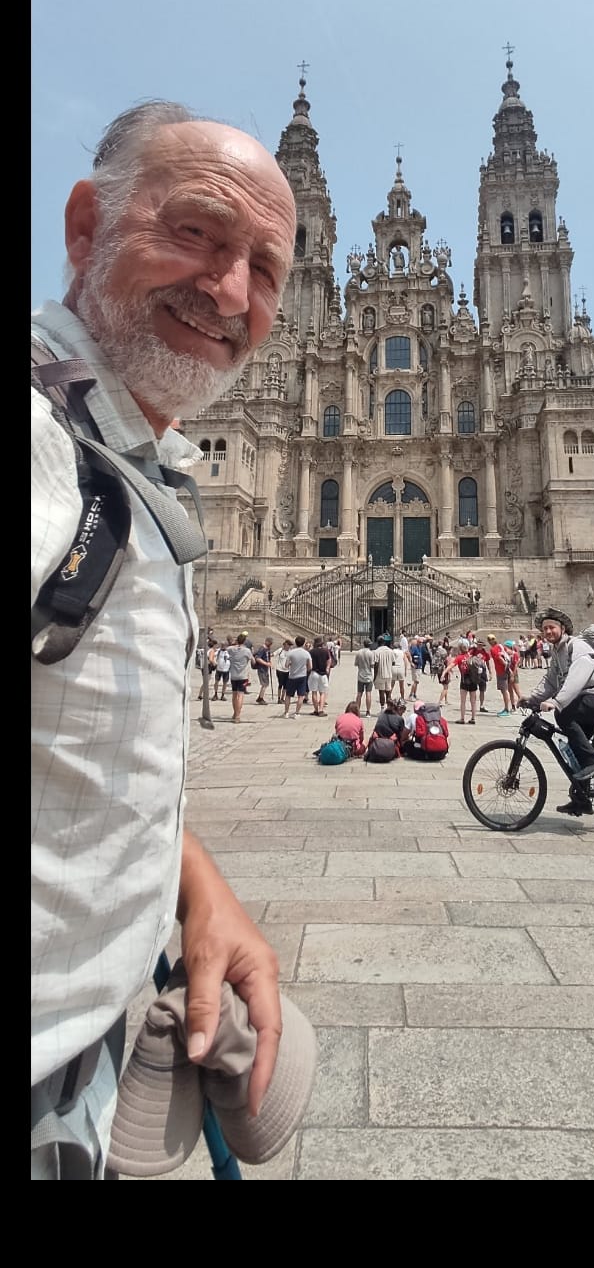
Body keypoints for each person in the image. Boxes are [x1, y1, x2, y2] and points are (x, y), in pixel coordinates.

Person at [32, 101, 297, 1179]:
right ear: (86, 226)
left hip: (91, 1088)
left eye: (267, 266)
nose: (230, 287)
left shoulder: (135, 453)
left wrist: (187, 878)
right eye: (194, 230)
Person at [520, 609, 594, 819]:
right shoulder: (557, 652)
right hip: (586, 699)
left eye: (551, 627)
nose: (548, 631)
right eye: (545, 628)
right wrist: (533, 699)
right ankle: (581, 800)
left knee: (563, 716)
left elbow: (577, 678)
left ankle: (593, 761)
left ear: (562, 628)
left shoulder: (577, 646)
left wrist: (556, 702)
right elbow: (550, 680)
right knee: (575, 748)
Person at [283, 635, 312, 716]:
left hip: (292, 676)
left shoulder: (291, 653)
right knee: (300, 696)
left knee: (288, 695)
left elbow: (286, 665)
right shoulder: (306, 653)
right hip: (302, 676)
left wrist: (292, 664)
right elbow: (310, 667)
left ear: (295, 643)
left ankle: (286, 712)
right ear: (303, 644)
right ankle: (297, 713)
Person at [227, 633, 254, 721]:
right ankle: (238, 715)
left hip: (234, 675)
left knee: (234, 695)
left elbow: (226, 649)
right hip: (243, 676)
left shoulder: (231, 649)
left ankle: (235, 713)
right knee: (241, 695)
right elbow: (253, 661)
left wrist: (234, 643)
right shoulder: (247, 651)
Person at [486, 634, 513, 714]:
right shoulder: (500, 646)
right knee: (506, 690)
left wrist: (505, 665)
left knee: (504, 691)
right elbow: (510, 652)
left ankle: (506, 709)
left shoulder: (493, 649)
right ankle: (510, 706)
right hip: (506, 670)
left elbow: (499, 658)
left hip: (501, 671)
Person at [308, 636, 331, 715]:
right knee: (322, 692)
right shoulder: (325, 651)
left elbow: (308, 662)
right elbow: (329, 660)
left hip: (314, 672)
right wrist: (327, 668)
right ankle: (321, 710)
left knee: (314, 692)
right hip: (322, 673)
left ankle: (316, 710)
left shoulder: (311, 652)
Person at [354, 638, 376, 716]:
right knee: (368, 693)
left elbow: (356, 664)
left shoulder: (359, 652)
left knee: (359, 693)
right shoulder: (370, 653)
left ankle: (357, 710)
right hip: (368, 676)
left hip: (360, 675)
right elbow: (372, 665)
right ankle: (368, 711)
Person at [373, 639, 395, 709]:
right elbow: (393, 662)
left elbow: (376, 664)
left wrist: (374, 676)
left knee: (381, 692)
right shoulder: (390, 651)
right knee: (388, 692)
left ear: (378, 643)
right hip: (389, 673)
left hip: (380, 674)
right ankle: (389, 708)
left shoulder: (376, 651)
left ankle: (382, 708)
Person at [253, 636, 273, 704]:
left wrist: (269, 662)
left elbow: (267, 657)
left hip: (265, 669)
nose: (271, 644)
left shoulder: (267, 649)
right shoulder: (262, 649)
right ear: (267, 642)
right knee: (264, 684)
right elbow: (258, 658)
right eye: (270, 643)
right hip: (262, 669)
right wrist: (266, 663)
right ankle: (260, 698)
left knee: (265, 684)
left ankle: (260, 697)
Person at [274, 639, 292, 707]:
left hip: (287, 670)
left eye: (290, 645)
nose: (289, 647)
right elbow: (273, 654)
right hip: (279, 670)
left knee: (286, 685)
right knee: (280, 684)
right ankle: (278, 698)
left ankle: (282, 698)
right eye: (288, 645)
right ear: (285, 644)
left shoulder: (290, 652)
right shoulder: (280, 650)